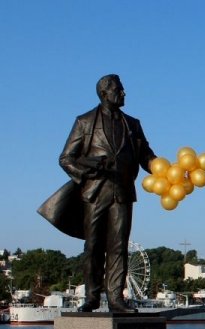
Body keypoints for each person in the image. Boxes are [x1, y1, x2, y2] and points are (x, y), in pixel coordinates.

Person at [57, 75, 156, 313]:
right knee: (93, 246)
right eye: (119, 90)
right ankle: (92, 296)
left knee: (119, 247)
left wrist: (168, 172)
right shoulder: (85, 122)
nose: (123, 94)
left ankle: (115, 299)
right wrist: (85, 174)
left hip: (122, 193)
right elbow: (66, 159)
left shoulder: (132, 125)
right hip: (94, 193)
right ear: (105, 93)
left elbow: (147, 157)